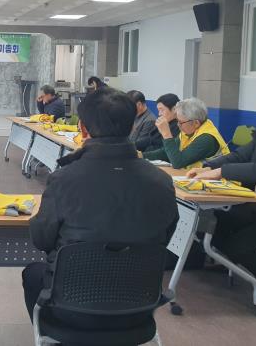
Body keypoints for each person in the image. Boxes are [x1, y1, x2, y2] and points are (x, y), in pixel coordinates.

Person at [23, 88, 178, 328]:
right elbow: (166, 235)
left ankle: (51, 334)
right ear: (131, 127)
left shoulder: (64, 179)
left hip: (72, 309)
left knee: (33, 273)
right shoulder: (162, 182)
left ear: (83, 129)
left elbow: (42, 239)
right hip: (138, 310)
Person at [187, 92, 256, 304]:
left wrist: (222, 172)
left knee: (238, 245)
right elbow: (240, 156)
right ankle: (254, 266)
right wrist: (208, 167)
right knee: (214, 224)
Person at [143, 97, 229, 169]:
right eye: (177, 121)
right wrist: (142, 156)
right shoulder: (188, 131)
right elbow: (166, 152)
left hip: (219, 181)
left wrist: (167, 135)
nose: (178, 125)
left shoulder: (207, 138)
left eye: (181, 122)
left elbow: (178, 163)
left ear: (196, 123)